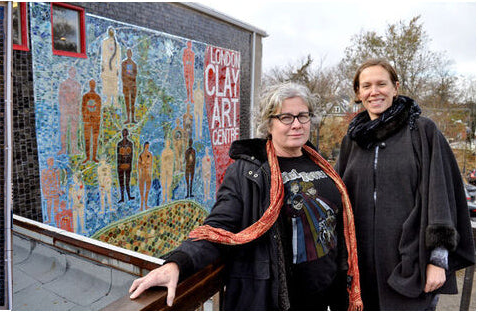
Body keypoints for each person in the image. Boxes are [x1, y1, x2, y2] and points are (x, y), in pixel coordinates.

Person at [129, 82, 363, 310]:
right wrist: (177, 263)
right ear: (268, 124)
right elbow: (219, 226)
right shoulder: (248, 172)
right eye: (286, 117)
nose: (297, 124)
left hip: (322, 300)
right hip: (275, 300)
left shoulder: (320, 164)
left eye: (303, 116)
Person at [335, 59, 475, 310]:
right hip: (361, 268)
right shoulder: (353, 139)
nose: (374, 91)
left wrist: (438, 261)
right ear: (358, 93)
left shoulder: (422, 131)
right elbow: (337, 197)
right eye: (366, 86)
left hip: (411, 264)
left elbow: (441, 196)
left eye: (381, 84)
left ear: (395, 87)